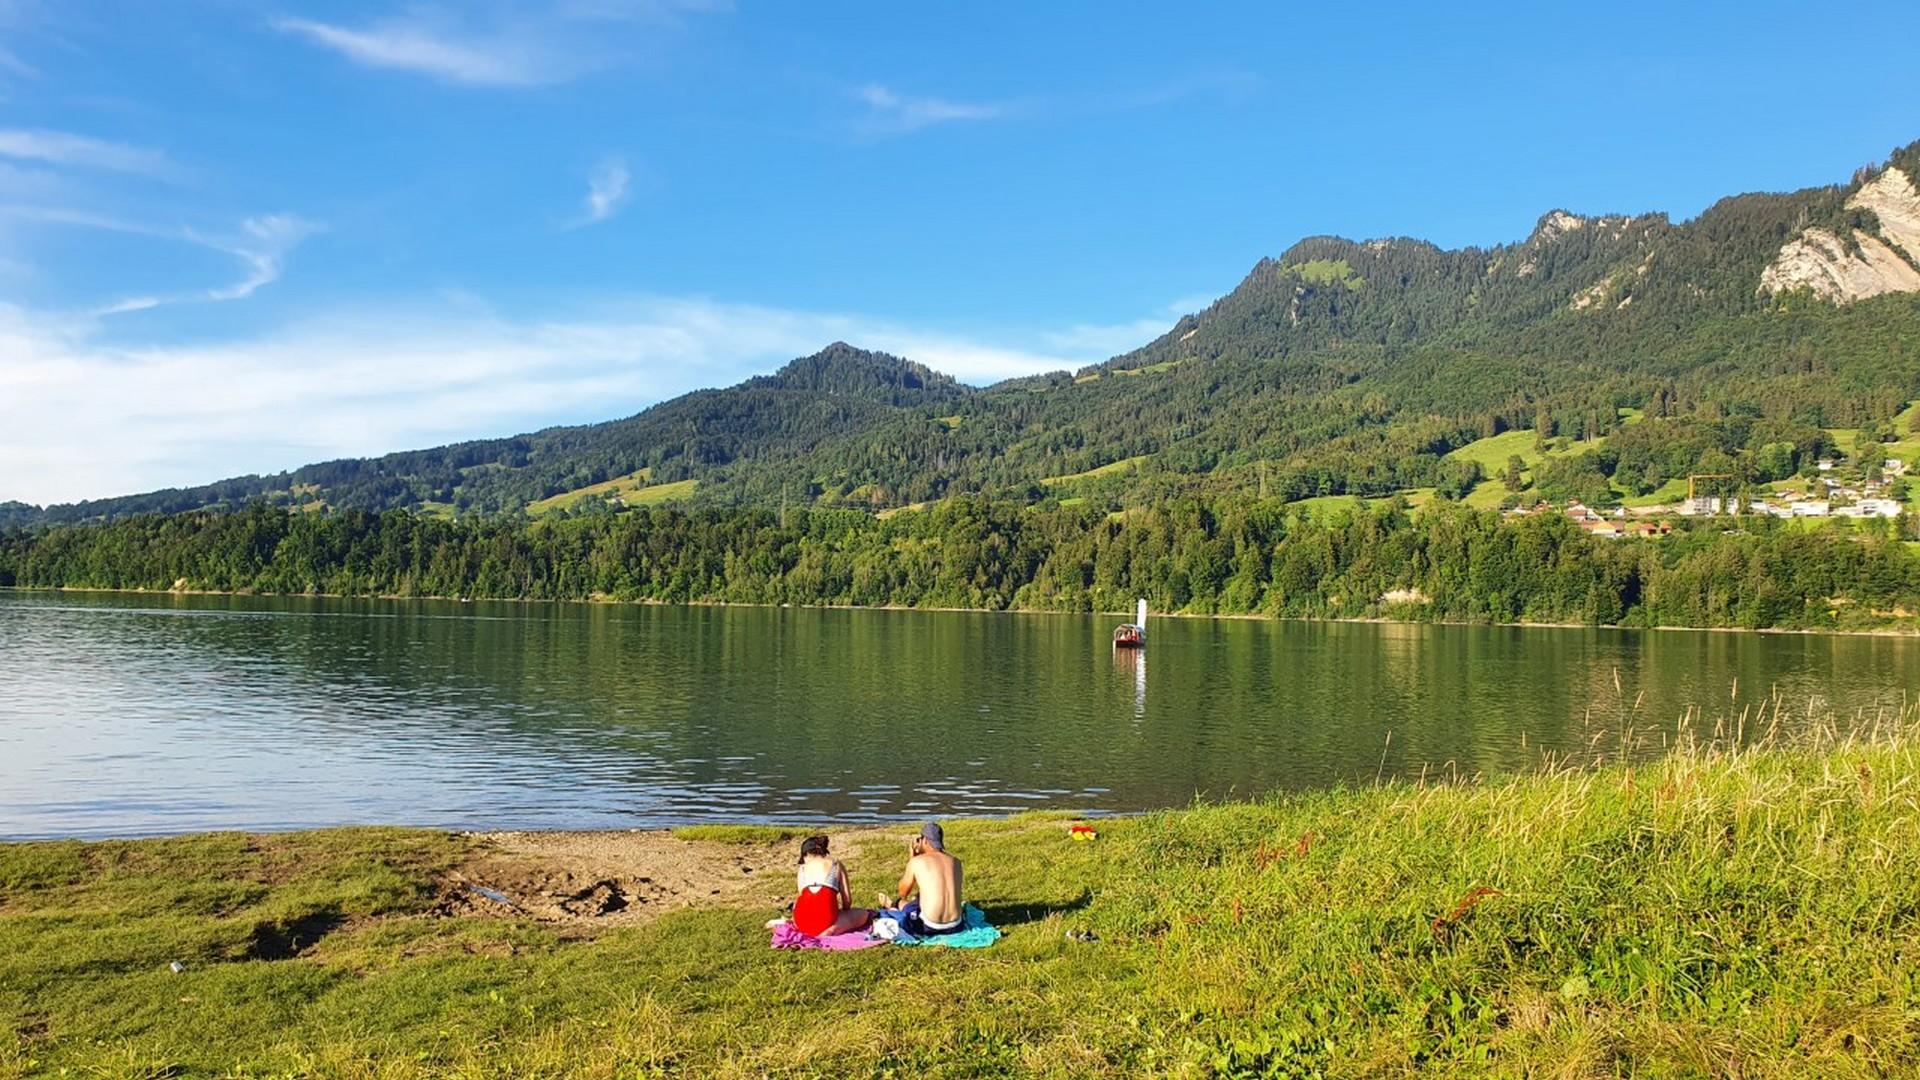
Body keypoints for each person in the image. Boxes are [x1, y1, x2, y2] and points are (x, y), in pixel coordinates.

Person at [879, 821, 965, 937]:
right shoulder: (956, 862)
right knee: (919, 899)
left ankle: (892, 906)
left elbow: (903, 892)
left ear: (924, 841)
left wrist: (912, 859)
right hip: (956, 925)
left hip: (929, 926)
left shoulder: (917, 862)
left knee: (901, 902)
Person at [790, 834, 872, 937]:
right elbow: (847, 901)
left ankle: (799, 926)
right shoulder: (835, 865)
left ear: (806, 854)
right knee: (863, 914)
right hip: (826, 921)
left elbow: (804, 898)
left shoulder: (802, 869)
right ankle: (832, 930)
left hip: (801, 921)